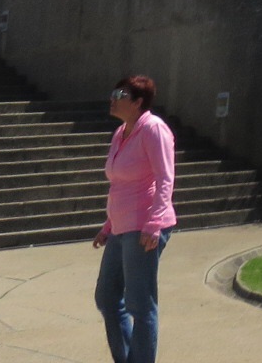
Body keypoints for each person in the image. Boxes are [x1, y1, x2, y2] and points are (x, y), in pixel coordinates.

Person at [94, 74, 176, 363]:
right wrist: (108, 226)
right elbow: (119, 184)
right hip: (120, 227)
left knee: (140, 305)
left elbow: (165, 178)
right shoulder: (121, 133)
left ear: (138, 102)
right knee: (106, 297)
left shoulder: (154, 129)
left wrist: (154, 224)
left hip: (144, 227)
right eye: (114, 93)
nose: (113, 99)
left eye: (121, 95)